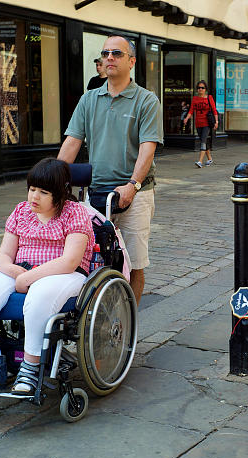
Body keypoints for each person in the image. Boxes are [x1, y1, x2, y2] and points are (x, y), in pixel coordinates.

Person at [0, 158, 95, 395]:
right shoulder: (21, 211)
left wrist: (29, 278)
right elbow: (2, 258)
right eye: (32, 189)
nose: (34, 197)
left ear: (60, 193)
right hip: (21, 269)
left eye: (43, 192)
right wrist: (16, 273)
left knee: (39, 295)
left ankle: (30, 369)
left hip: (64, 273)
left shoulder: (76, 213)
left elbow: (70, 261)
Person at [58, 34, 162, 306]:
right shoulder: (89, 99)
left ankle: (126, 329)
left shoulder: (146, 101)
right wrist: (53, 180)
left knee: (134, 263)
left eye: (116, 53)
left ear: (132, 61)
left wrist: (133, 185)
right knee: (92, 259)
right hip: (96, 194)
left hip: (134, 194)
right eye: (105, 54)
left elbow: (147, 148)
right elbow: (72, 142)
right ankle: (98, 321)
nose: (109, 58)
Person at [182, 80, 219, 168]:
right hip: (198, 123)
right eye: (198, 88)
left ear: (205, 89)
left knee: (203, 141)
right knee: (204, 141)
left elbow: (214, 110)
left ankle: (200, 161)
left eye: (202, 88)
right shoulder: (195, 99)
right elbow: (191, 110)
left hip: (207, 123)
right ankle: (209, 159)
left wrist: (216, 121)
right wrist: (186, 118)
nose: (200, 89)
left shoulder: (209, 98)